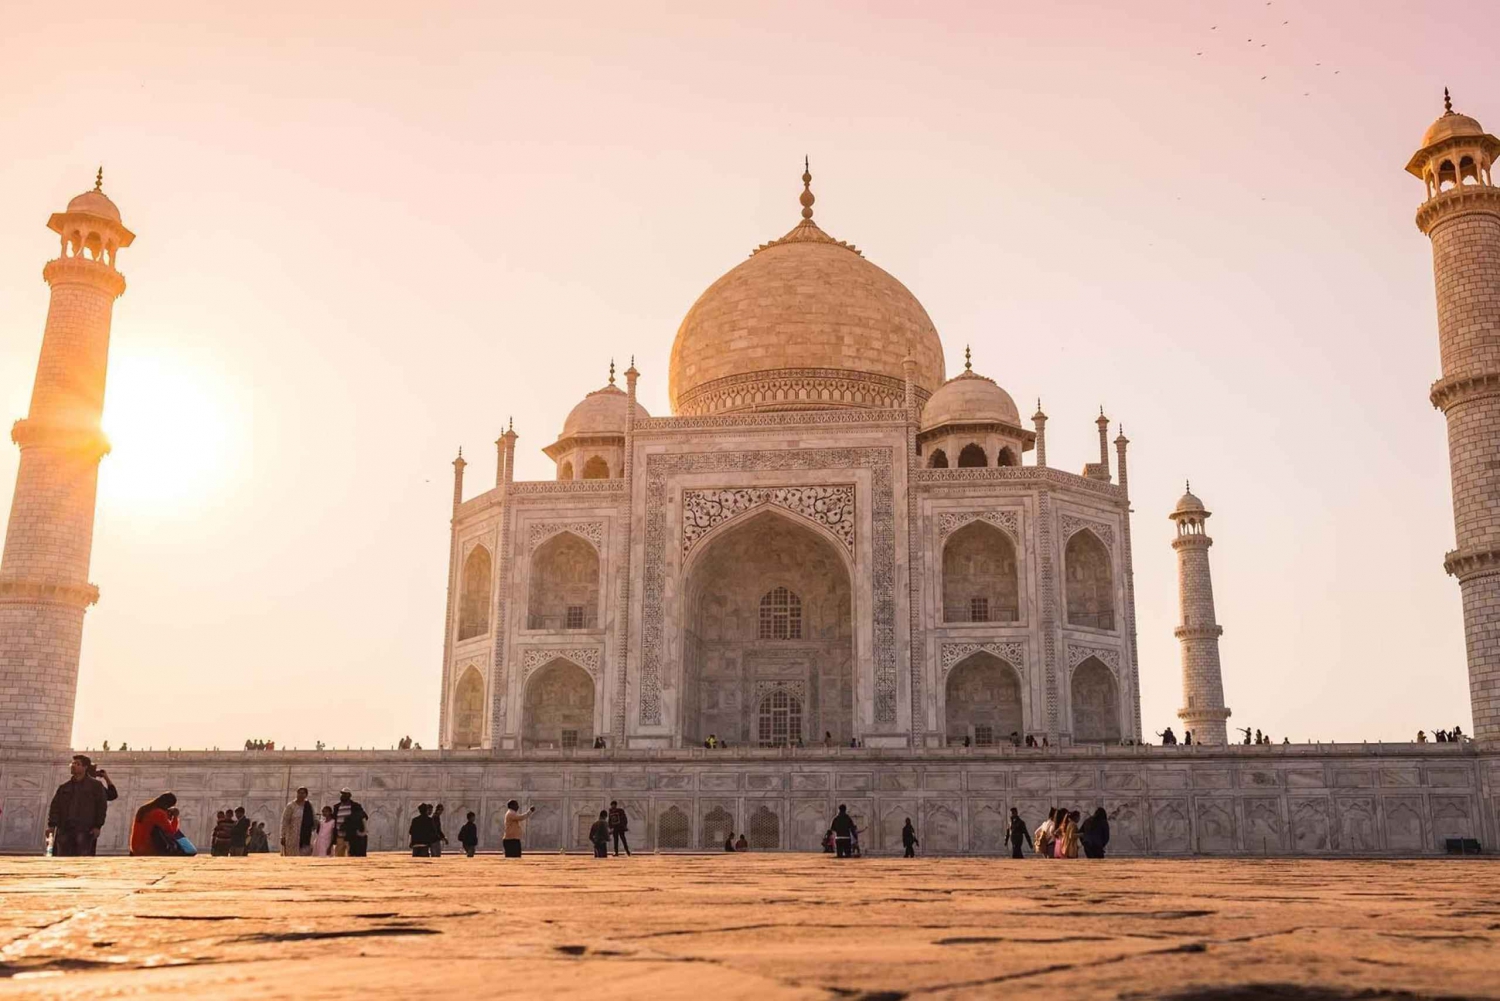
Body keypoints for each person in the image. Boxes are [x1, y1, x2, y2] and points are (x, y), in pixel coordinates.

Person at [46, 754, 113, 856]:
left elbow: (101, 807)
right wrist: (51, 825)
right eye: (72, 763)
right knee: (61, 860)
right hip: (65, 829)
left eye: (77, 764)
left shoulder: (95, 786)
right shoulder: (64, 788)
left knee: (82, 860)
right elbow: (55, 807)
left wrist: (97, 826)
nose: (73, 766)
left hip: (85, 829)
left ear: (85, 767)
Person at [332, 789, 368, 857]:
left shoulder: (355, 806)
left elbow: (363, 816)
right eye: (342, 794)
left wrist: (363, 831)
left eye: (345, 794)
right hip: (340, 836)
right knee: (338, 856)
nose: (343, 796)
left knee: (350, 855)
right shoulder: (337, 807)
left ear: (349, 795)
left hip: (350, 837)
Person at [281, 787, 315, 857]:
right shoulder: (290, 806)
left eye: (303, 793)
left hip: (305, 836)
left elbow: (314, 818)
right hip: (292, 836)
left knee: (304, 857)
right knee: (291, 856)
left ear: (306, 795)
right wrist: (282, 836)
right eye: (299, 793)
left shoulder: (308, 805)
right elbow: (285, 821)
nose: (301, 795)